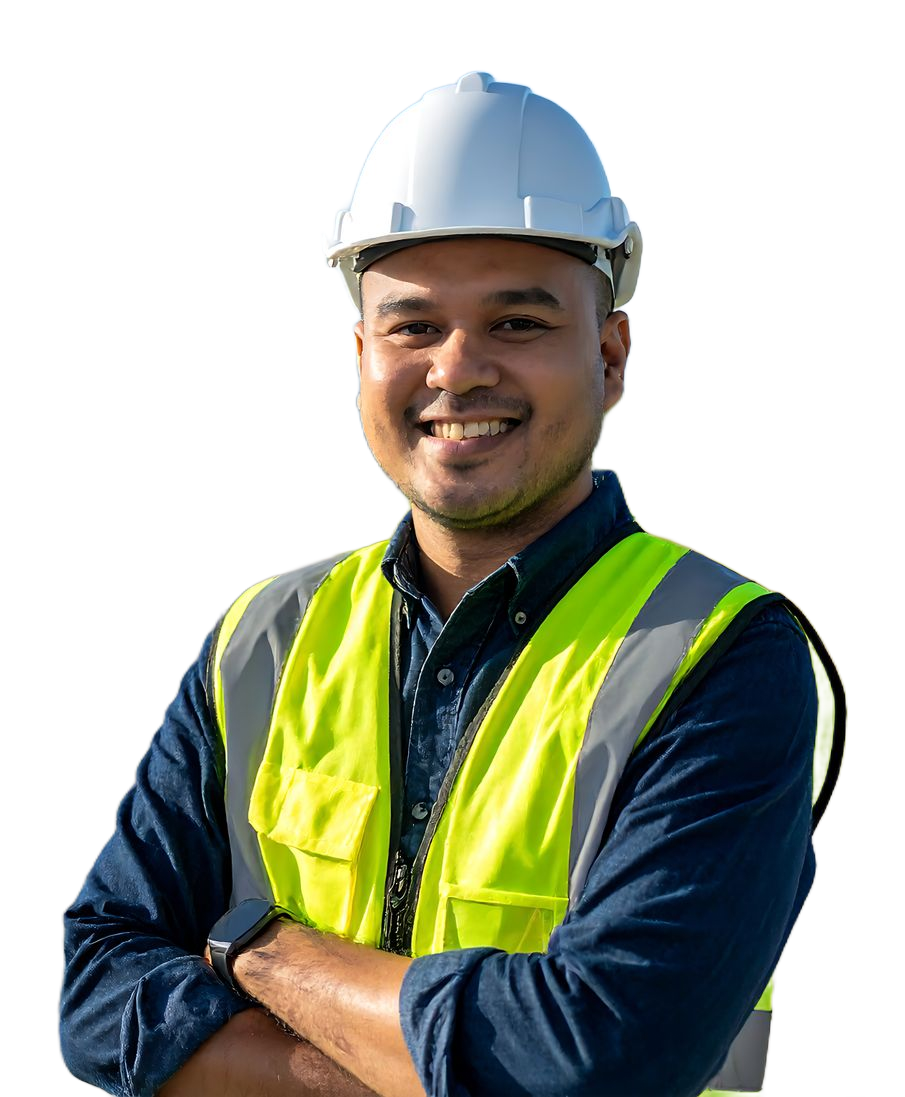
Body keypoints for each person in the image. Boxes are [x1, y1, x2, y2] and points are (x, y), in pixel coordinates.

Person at [58, 69, 848, 1097]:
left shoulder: (720, 654)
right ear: (358, 354)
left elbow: (599, 1060)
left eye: (517, 323)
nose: (457, 367)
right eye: (412, 325)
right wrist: (418, 1074)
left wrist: (258, 948)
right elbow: (97, 989)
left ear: (610, 355)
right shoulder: (263, 634)